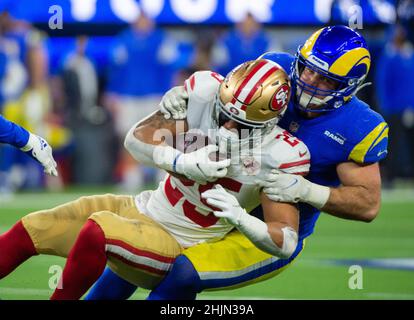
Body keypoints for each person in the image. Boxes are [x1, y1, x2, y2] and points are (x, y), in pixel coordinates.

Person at [86, 25, 389, 300]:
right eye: (308, 69)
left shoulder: (357, 126)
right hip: (210, 208)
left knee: (182, 274)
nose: (309, 81)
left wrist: (307, 191)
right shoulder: (275, 68)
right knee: (132, 257)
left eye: (324, 79)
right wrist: (184, 96)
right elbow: (227, 95)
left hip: (267, 227)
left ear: (349, 86)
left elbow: (367, 204)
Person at [0, 59, 310, 300]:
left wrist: (241, 218)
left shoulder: (281, 154)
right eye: (222, 113)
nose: (226, 126)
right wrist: (181, 161)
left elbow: (286, 241)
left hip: (178, 241)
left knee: (98, 231)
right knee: (34, 228)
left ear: (268, 124)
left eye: (239, 124)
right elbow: (135, 140)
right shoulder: (204, 91)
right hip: (145, 207)